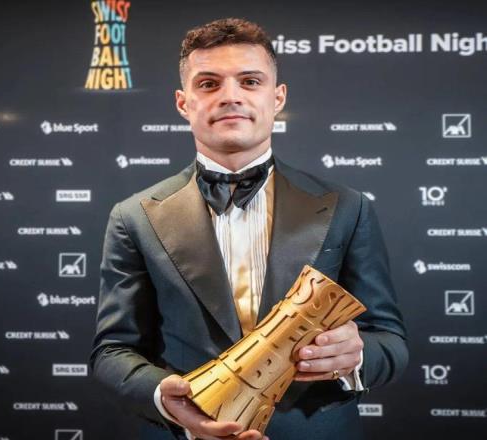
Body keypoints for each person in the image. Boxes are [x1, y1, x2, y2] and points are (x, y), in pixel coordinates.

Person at [90, 18, 408, 440]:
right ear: (183, 103)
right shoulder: (134, 217)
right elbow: (112, 352)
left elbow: (390, 341)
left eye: (250, 81)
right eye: (209, 84)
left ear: (277, 97)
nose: (230, 96)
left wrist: (357, 355)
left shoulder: (348, 207)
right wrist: (163, 396)